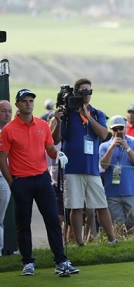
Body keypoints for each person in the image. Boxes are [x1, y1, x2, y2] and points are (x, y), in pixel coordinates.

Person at [0, 89, 79, 276]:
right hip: (22, 181)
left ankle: (61, 261)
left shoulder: (42, 125)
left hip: (42, 179)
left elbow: (50, 148)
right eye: (24, 101)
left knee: (52, 219)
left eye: (30, 101)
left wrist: (58, 155)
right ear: (18, 105)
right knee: (23, 223)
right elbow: (2, 159)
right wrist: (12, 183)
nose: (28, 104)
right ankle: (28, 262)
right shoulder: (9, 130)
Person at [51, 78, 117, 246]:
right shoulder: (67, 113)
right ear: (76, 93)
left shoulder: (97, 113)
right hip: (72, 167)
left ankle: (112, 239)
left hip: (91, 168)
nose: (87, 95)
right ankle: (79, 243)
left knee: (101, 204)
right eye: (83, 91)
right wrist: (58, 122)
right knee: (76, 206)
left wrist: (87, 116)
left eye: (89, 91)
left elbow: (104, 134)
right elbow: (56, 139)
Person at [99, 115, 134, 231]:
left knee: (133, 226)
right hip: (112, 193)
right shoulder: (104, 146)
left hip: (131, 191)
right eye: (115, 129)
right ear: (111, 130)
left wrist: (127, 148)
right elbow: (104, 165)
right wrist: (112, 147)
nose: (118, 131)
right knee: (117, 227)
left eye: (121, 128)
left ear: (125, 128)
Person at [0, 100, 12, 254]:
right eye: (3, 111)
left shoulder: (12, 131)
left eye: (9, 111)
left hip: (4, 178)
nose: (7, 114)